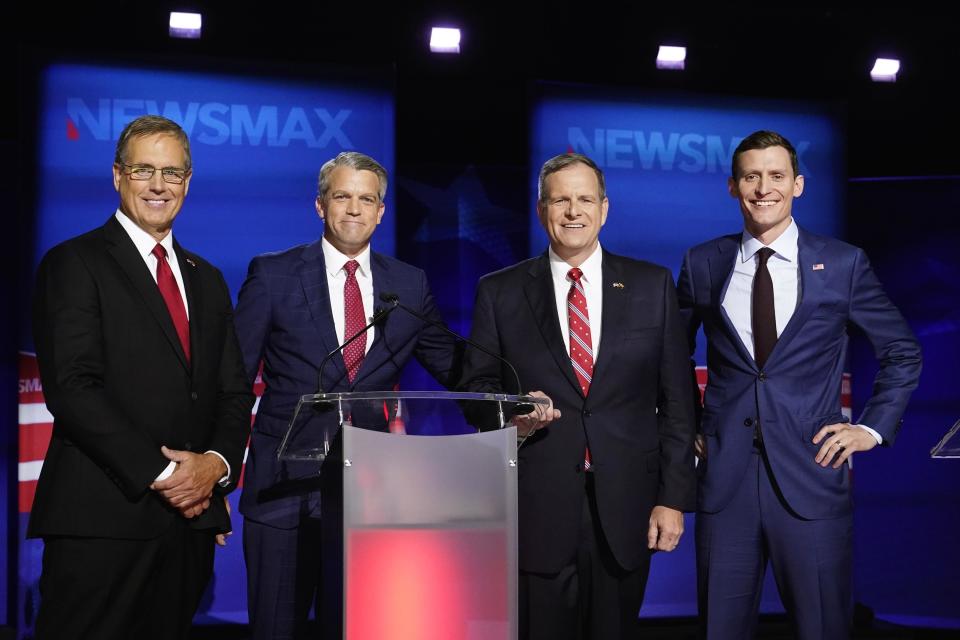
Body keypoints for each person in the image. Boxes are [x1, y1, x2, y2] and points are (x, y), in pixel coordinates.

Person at [677, 130, 922, 639]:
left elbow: (901, 351)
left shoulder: (842, 263)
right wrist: (689, 426)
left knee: (823, 629)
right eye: (751, 176)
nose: (763, 188)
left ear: (798, 184)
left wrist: (871, 430)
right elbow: (670, 357)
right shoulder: (703, 262)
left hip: (812, 475)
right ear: (732, 187)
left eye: (776, 176)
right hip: (726, 483)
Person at [29, 115, 253, 639]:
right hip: (101, 523)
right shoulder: (74, 263)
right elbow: (74, 389)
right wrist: (171, 477)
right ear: (117, 176)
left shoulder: (208, 278)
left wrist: (216, 467)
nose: (158, 185)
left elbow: (233, 391)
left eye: (172, 173)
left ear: (188, 182)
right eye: (144, 170)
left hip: (187, 526)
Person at [458, 153, 696, 640]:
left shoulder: (653, 285)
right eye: (560, 199)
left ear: (604, 209)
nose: (573, 211)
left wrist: (673, 498)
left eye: (585, 199)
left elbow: (677, 401)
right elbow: (475, 393)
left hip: (627, 508)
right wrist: (515, 413)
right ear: (541, 209)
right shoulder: (498, 292)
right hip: (536, 507)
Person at [234, 151, 461, 639]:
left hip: (371, 495)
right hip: (282, 490)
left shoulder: (408, 283)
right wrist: (217, 473)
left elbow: (454, 365)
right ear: (320, 205)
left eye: (367, 199)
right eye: (342, 196)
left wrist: (516, 394)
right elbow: (231, 382)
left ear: (382, 211)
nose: (354, 209)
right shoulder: (273, 274)